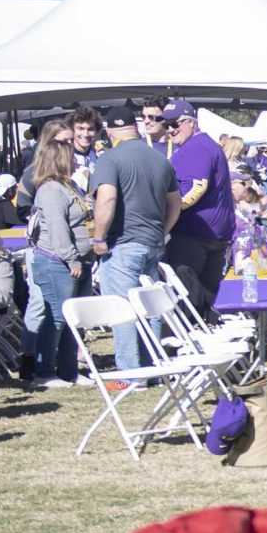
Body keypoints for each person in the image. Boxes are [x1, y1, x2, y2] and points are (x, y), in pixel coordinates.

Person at [87, 101, 180, 375]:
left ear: (109, 130)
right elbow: (175, 203)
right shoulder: (160, 159)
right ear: (136, 127)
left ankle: (130, 372)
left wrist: (99, 238)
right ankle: (152, 365)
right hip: (153, 241)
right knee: (149, 306)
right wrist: (163, 231)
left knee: (122, 308)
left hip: (123, 242)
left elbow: (107, 198)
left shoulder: (110, 159)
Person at [19, 137, 83, 389]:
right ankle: (44, 370)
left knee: (68, 319)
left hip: (68, 260)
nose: (76, 159)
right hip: (55, 260)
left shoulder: (68, 186)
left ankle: (68, 369)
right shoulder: (51, 190)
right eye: (71, 155)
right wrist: (72, 258)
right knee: (55, 317)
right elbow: (57, 227)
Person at [161, 100, 234, 314]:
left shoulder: (196, 148)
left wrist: (164, 218)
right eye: (167, 125)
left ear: (191, 122)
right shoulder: (205, 145)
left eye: (175, 124)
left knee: (188, 301)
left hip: (194, 235)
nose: (171, 130)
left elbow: (195, 189)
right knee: (206, 298)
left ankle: (193, 340)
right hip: (211, 234)